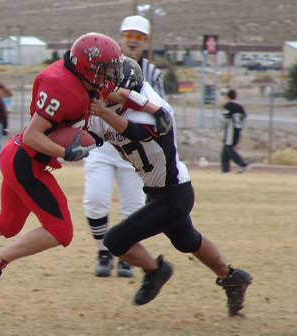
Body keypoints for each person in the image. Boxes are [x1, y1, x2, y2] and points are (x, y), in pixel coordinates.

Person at [0, 32, 127, 302]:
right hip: (26, 163)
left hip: (17, 155)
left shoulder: (84, 79)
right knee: (61, 232)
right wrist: (66, 151)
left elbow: (117, 94)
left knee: (8, 223)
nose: (108, 76)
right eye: (104, 69)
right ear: (87, 67)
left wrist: (147, 105)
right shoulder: (62, 87)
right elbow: (32, 135)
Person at [88, 57, 252, 317]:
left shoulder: (152, 110)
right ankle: (232, 277)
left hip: (174, 194)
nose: (103, 92)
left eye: (110, 87)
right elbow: (85, 136)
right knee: (188, 241)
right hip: (157, 190)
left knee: (115, 240)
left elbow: (138, 133)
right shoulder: (109, 107)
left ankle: (156, 270)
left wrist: (104, 112)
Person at [83, 14, 166, 278]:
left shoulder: (153, 73)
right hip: (103, 143)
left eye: (139, 37)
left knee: (133, 209)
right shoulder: (103, 65)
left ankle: (127, 257)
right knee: (95, 200)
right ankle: (103, 253)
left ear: (147, 42)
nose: (133, 41)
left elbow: (159, 109)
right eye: (129, 35)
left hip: (135, 147)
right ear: (119, 37)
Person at [221, 89, 249, 173]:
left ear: (228, 96)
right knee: (225, 149)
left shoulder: (228, 105)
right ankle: (225, 169)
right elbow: (244, 117)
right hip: (238, 129)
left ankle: (243, 164)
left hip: (231, 130)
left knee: (228, 148)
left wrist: (221, 128)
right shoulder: (240, 107)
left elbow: (225, 118)